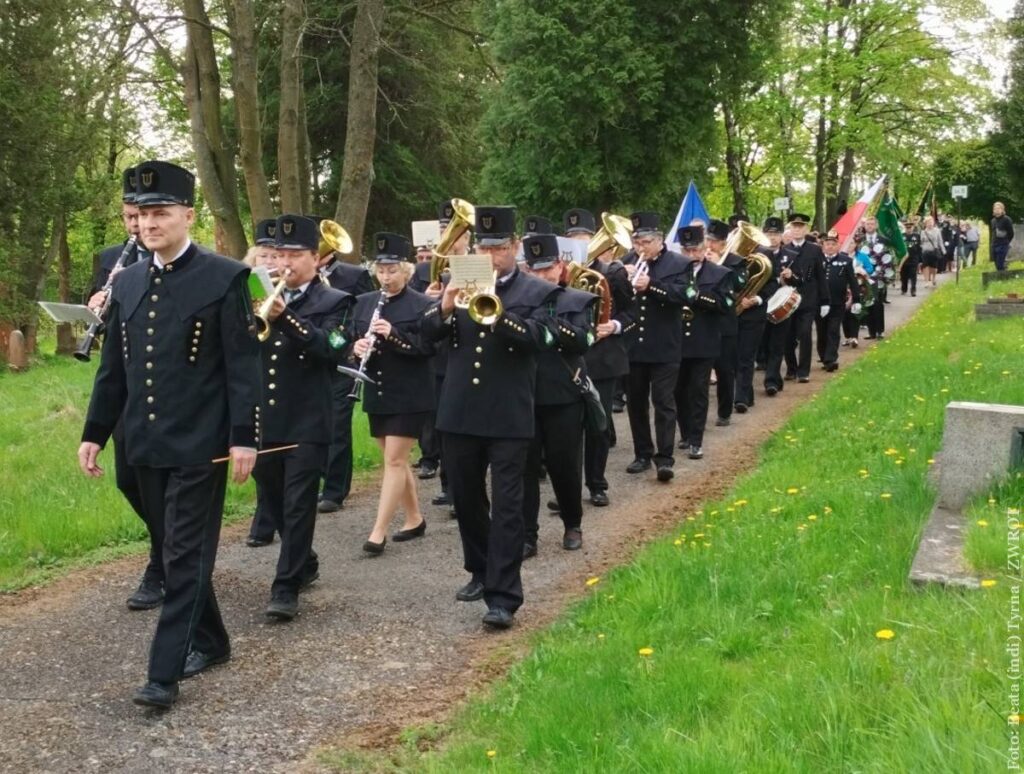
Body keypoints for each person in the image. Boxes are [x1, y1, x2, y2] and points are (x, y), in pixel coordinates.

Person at [78, 160, 261, 709]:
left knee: (183, 556)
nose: (149, 223)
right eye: (142, 214)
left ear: (188, 215)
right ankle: (213, 641)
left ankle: (163, 675)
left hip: (200, 447)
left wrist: (243, 436)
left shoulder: (224, 277)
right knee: (175, 547)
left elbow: (242, 366)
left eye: (161, 213)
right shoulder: (127, 281)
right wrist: (95, 432)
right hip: (143, 445)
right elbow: (115, 369)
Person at [421, 205, 560, 630]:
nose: (490, 254)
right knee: (465, 497)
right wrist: (444, 307)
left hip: (507, 413)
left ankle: (504, 596)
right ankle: (480, 570)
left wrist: (499, 315)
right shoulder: (459, 280)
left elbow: (541, 339)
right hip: (460, 410)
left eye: (498, 247)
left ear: (514, 247)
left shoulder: (536, 292)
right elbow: (427, 338)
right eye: (483, 246)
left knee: (508, 505)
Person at [249, 215, 354, 620]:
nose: (285, 262)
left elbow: (332, 348)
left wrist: (286, 319)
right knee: (272, 499)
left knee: (297, 504)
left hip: (308, 419)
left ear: (316, 258)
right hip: (265, 417)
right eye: (278, 254)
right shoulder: (256, 294)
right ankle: (304, 560)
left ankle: (285, 585)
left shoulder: (337, 302)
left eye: (294, 254)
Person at [84, 166, 165, 611]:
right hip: (124, 384)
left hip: (165, 386)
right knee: (129, 479)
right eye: (130, 217)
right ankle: (166, 546)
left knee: (161, 480)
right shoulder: (110, 257)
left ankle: (161, 563)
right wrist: (96, 305)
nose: (137, 225)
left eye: (144, 215)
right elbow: (100, 319)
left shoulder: (173, 256)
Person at [349, 233, 435, 554]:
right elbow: (350, 340)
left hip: (410, 392)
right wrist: (355, 348)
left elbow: (428, 348)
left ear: (407, 271)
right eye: (381, 271)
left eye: (393, 270)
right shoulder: (364, 303)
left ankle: (378, 531)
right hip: (377, 390)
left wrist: (395, 335)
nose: (386, 277)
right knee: (394, 460)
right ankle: (414, 518)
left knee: (395, 461)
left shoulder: (424, 304)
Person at [519, 233, 598, 557]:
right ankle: (527, 535)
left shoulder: (576, 299)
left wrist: (548, 322)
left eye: (547, 269)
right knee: (523, 468)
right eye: (534, 270)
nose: (541, 276)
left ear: (560, 266)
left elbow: (583, 340)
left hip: (562, 394)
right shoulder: (516, 299)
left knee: (563, 464)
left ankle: (572, 522)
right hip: (523, 392)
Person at [622, 212, 690, 481]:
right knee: (636, 403)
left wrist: (652, 286)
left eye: (646, 242)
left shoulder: (679, 263)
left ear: (660, 240)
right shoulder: (627, 262)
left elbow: (684, 295)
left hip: (664, 345)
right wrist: (620, 279)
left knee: (663, 401)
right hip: (634, 347)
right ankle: (642, 453)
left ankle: (665, 458)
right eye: (637, 243)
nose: (640, 248)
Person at [316, 218, 375, 515]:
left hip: (343, 361)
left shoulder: (353, 275)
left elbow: (367, 313)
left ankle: (335, 489)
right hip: (311, 360)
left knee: (338, 425)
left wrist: (356, 345)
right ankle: (318, 478)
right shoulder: (293, 279)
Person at [578, 210, 635, 507]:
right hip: (569, 358)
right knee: (569, 428)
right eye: (572, 238)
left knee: (598, 424)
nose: (579, 243)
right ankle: (569, 491)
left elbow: (631, 314)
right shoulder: (557, 274)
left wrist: (613, 326)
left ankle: (597, 485)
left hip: (603, 357)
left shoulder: (613, 273)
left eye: (584, 237)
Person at [673, 225, 731, 460]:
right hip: (676, 341)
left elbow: (725, 304)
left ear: (704, 248)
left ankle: (696, 440)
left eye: (695, 250)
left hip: (703, 340)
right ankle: (686, 433)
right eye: (686, 251)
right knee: (678, 391)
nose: (690, 255)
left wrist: (697, 295)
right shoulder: (673, 272)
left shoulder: (718, 273)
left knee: (698, 391)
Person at [705, 218, 745, 427]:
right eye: (708, 240)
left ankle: (724, 412)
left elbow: (739, 284)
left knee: (725, 370)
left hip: (725, 324)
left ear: (724, 243)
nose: (710, 245)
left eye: (715, 242)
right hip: (702, 323)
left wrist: (717, 264)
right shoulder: (697, 259)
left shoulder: (735, 261)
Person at [782, 214, 828, 384]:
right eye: (794, 227)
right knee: (787, 336)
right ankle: (791, 368)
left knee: (805, 334)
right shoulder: (785, 249)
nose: (797, 230)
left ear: (806, 229)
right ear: (790, 229)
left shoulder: (815, 249)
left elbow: (820, 276)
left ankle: (803, 371)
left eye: (800, 227)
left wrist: (825, 300)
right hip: (788, 299)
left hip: (808, 300)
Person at [816, 230, 860, 371]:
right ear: (823, 245)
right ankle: (823, 356)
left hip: (837, 302)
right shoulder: (817, 260)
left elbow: (852, 281)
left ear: (838, 246)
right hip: (820, 303)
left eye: (833, 244)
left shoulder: (846, 261)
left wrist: (857, 299)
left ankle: (831, 359)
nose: (830, 246)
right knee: (822, 331)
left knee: (833, 330)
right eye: (827, 244)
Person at [920, 216, 943, 288]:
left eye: (931, 222)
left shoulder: (937, 230)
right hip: (925, 251)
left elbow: (940, 241)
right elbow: (920, 242)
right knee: (925, 266)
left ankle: (933, 278)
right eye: (928, 222)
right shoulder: (923, 232)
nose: (930, 224)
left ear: (933, 223)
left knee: (934, 267)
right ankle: (926, 281)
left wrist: (943, 250)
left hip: (934, 250)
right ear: (925, 224)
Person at [991, 202, 1015, 271]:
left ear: (1002, 210)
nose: (997, 210)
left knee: (1000, 264)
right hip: (994, 244)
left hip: (1003, 244)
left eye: (999, 208)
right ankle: (1001, 276)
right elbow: (993, 233)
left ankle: (1004, 276)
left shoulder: (1006, 219)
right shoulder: (993, 221)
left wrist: (1006, 241)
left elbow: (1011, 233)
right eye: (995, 209)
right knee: (996, 264)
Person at [900, 220, 921, 296]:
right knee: (903, 275)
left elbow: (919, 247)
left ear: (913, 228)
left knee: (913, 275)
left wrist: (920, 259)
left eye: (910, 227)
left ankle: (913, 290)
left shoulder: (917, 236)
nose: (909, 229)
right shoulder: (902, 236)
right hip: (904, 260)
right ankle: (904, 288)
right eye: (907, 228)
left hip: (913, 258)